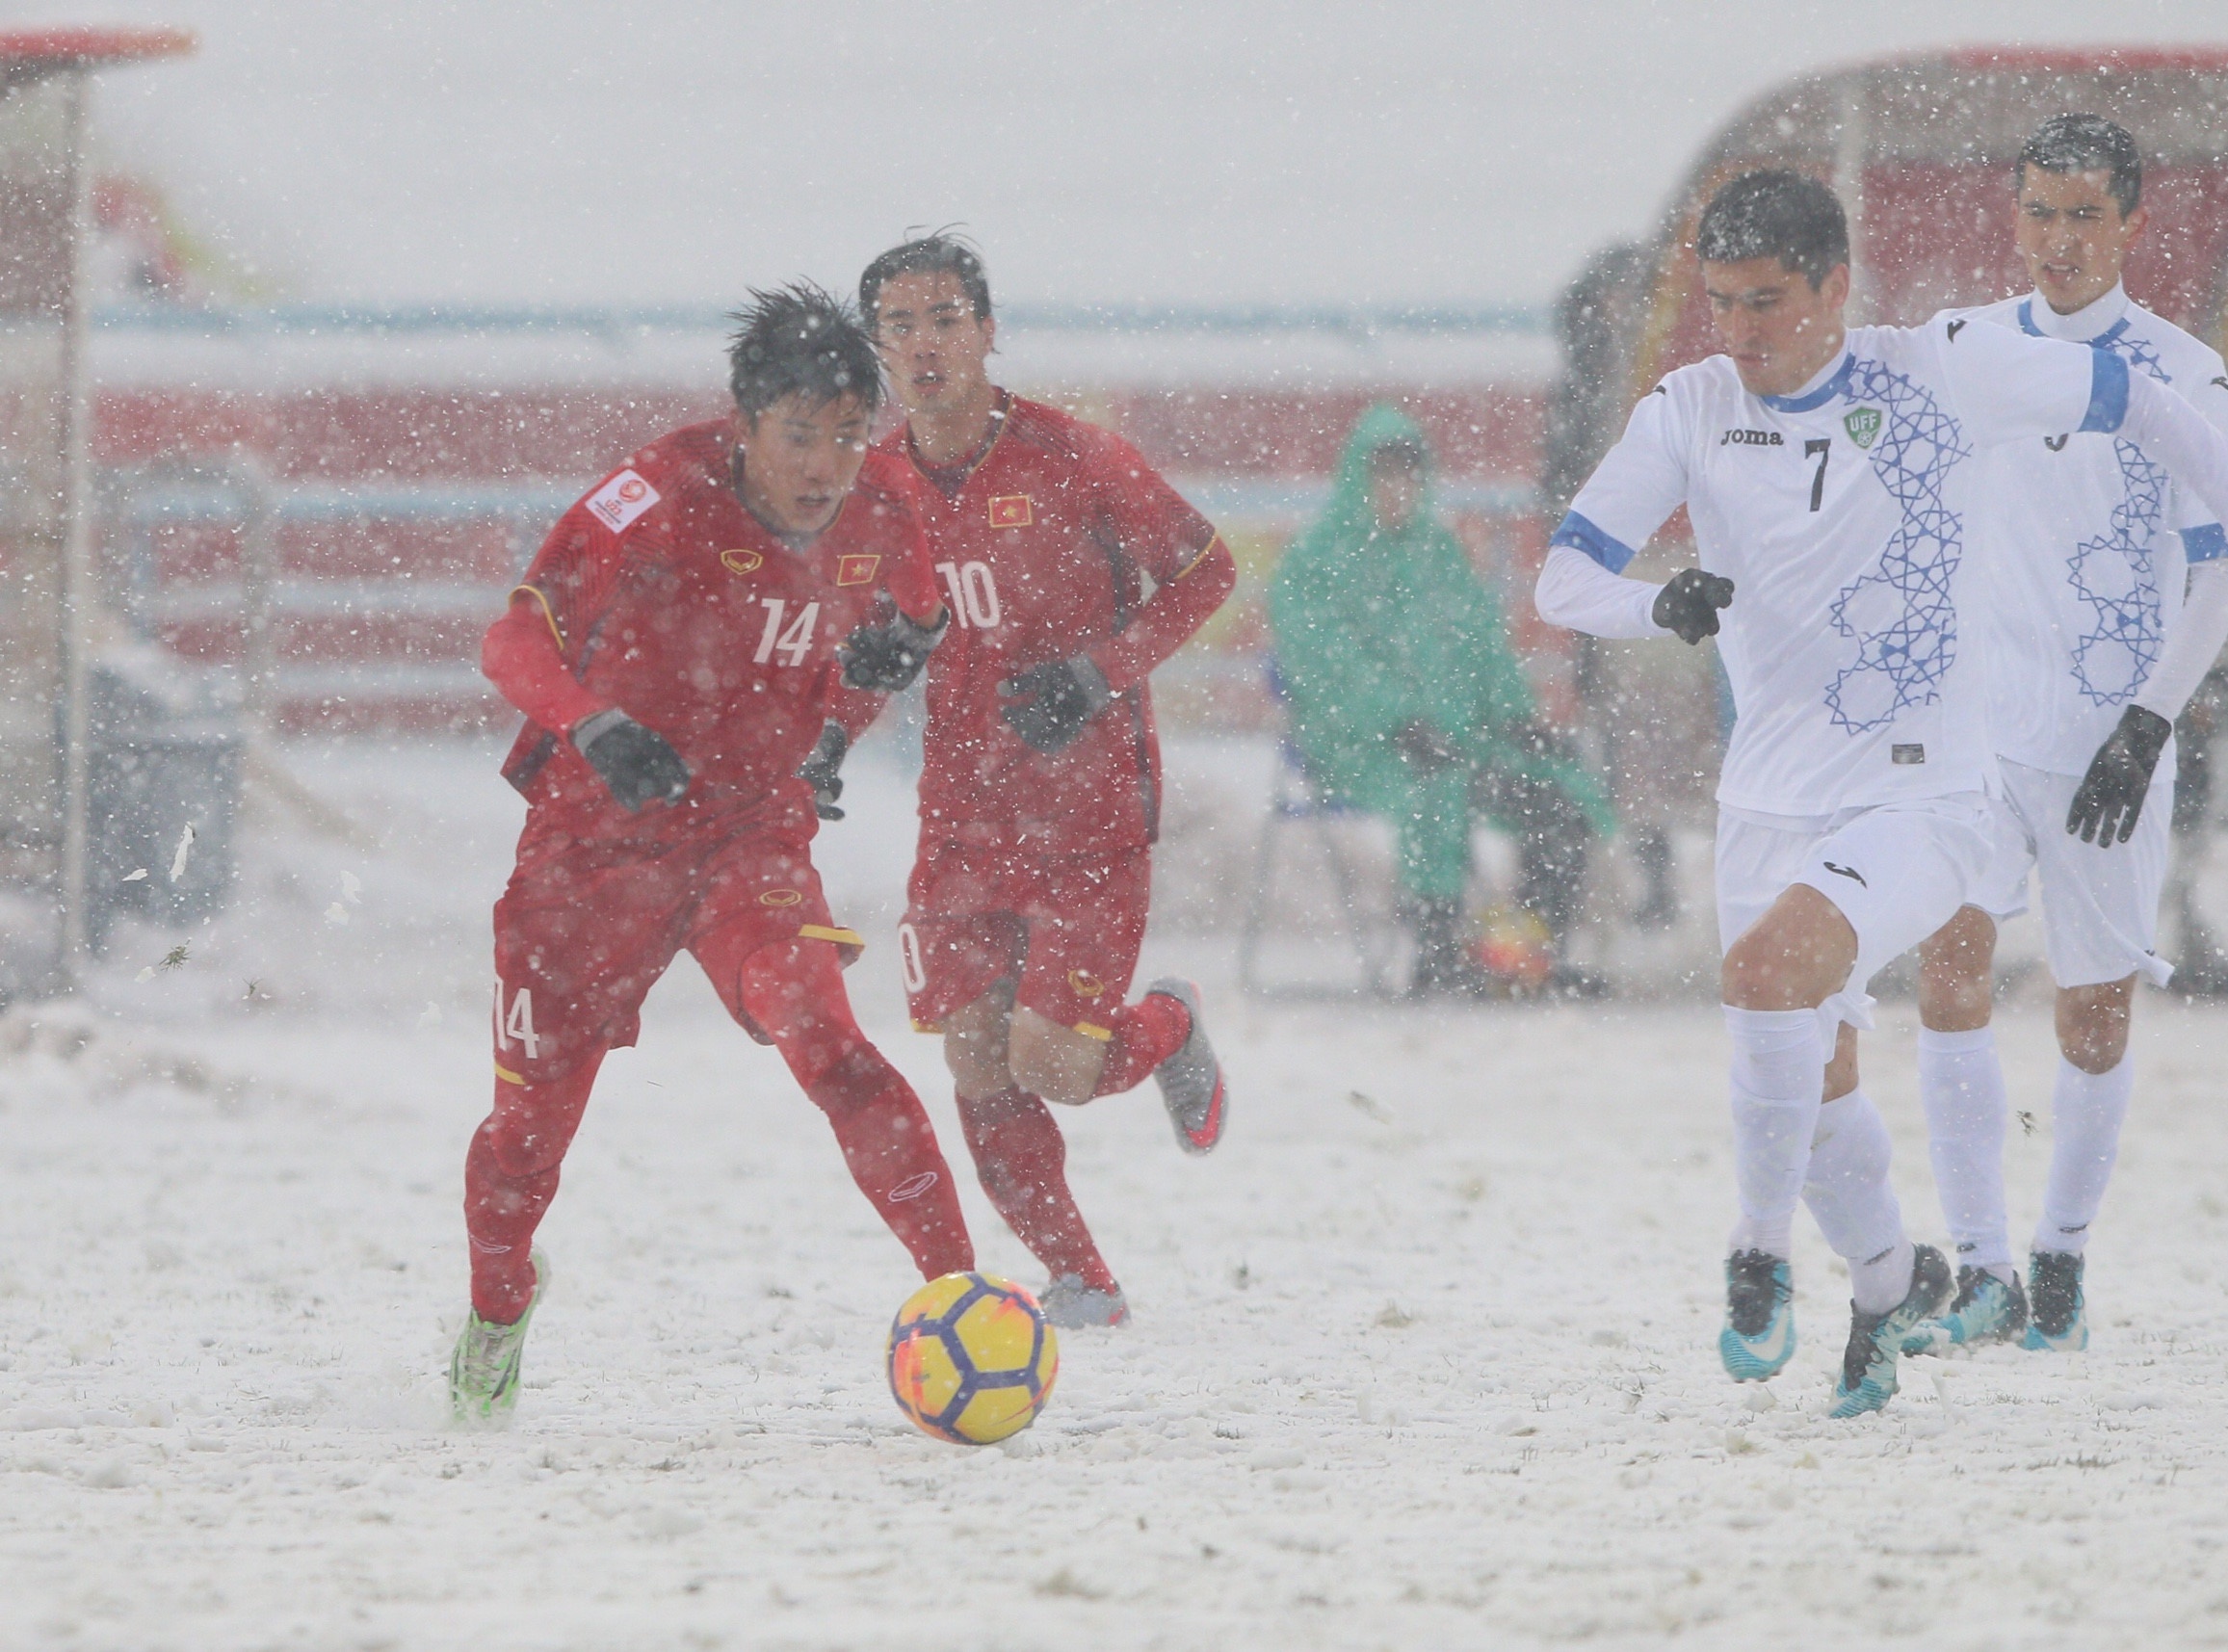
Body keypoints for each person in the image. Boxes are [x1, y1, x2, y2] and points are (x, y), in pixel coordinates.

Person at [1535, 169, 2228, 1416]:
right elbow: (1564, 577)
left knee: (1798, 977)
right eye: (1720, 302)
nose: (1738, 330)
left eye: (1765, 302)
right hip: (1771, 797)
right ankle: (1894, 1278)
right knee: (1807, 1078)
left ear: (1834, 285)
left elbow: (2155, 411)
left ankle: (1793, 1256)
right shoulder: (1692, 405)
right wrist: (1656, 604)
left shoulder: (1944, 369)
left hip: (1930, 787)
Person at [451, 284, 974, 1421]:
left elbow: (913, 619)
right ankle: (496, 1306)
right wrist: (592, 722)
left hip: (750, 836)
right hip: (591, 848)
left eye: (849, 433)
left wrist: (879, 678)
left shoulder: (885, 503)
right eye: (801, 433)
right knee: (526, 1141)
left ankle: (964, 1297)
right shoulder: (650, 497)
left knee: (831, 1046)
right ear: (744, 422)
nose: (826, 465)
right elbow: (513, 634)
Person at [1906, 115, 2228, 1359]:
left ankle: (2061, 1258)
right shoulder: (1968, 347)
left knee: (2091, 1014)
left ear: (2131, 223)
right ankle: (1982, 1265)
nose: (2059, 239)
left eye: (2085, 215)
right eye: (2039, 212)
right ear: (2015, 214)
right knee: (1949, 967)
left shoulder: (2181, 372)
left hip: (2108, 738)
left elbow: (2217, 569)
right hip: (1978, 733)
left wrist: (2147, 723)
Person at [860, 234, 1237, 1330]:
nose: (925, 345)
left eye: (944, 319)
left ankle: (1166, 1024)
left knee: (1056, 1065)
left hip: (1088, 815)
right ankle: (1086, 1282)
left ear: (987, 330)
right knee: (976, 1058)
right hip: (961, 818)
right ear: (878, 348)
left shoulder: (1077, 457)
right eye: (900, 326)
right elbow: (862, 637)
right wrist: (834, 721)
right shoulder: (874, 488)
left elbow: (1206, 570)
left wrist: (1097, 673)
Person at [1267, 405, 1615, 995]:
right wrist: (1397, 722)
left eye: (1408, 474)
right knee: (1434, 790)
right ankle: (1438, 954)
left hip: (1459, 739)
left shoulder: (1440, 555)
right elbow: (1327, 668)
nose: (1397, 489)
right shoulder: (1315, 561)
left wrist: (1517, 718)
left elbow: (1485, 648)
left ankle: (1530, 957)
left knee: (1557, 793)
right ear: (1357, 477)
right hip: (1359, 745)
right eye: (1384, 474)